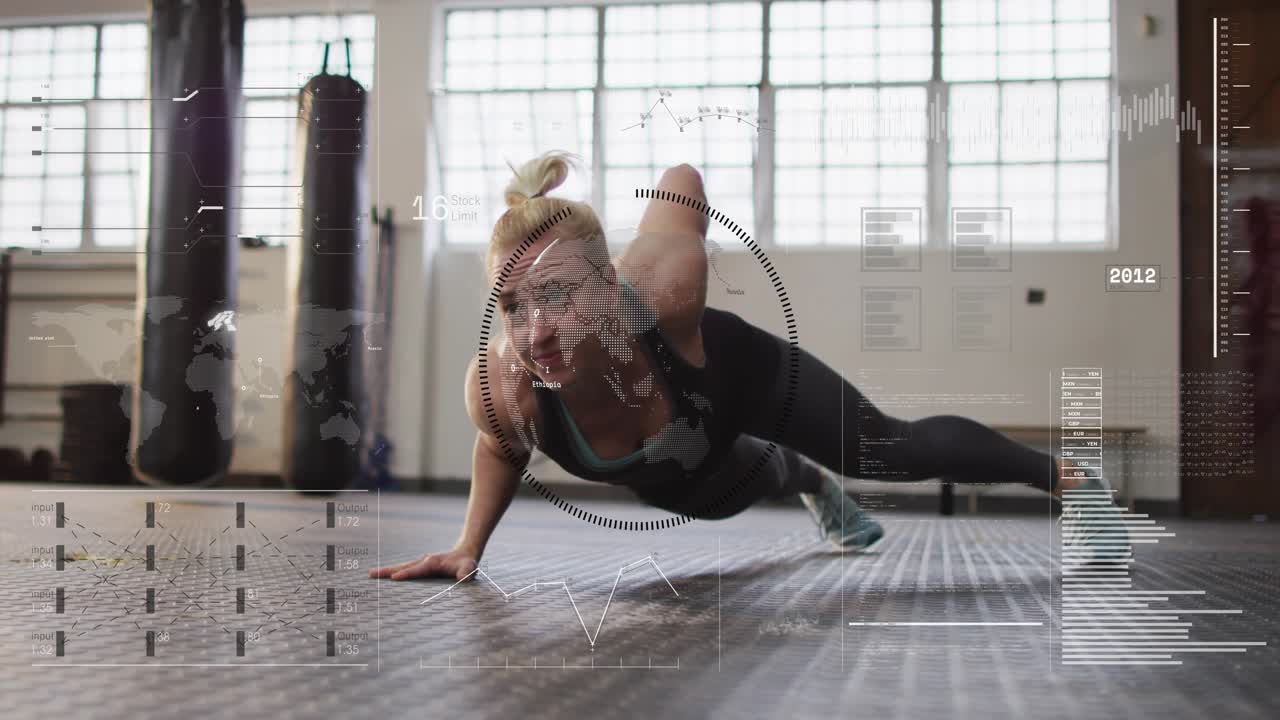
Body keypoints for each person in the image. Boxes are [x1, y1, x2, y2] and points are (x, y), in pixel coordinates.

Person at [370, 151, 1126, 583]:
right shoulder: (503, 385)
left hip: (745, 378)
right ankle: (815, 486)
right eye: (512, 306)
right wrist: (467, 549)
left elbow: (682, 179)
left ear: (607, 282)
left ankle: (1073, 483)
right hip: (679, 461)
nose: (535, 333)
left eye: (559, 296)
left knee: (888, 450)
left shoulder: (660, 286)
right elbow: (500, 447)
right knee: (721, 493)